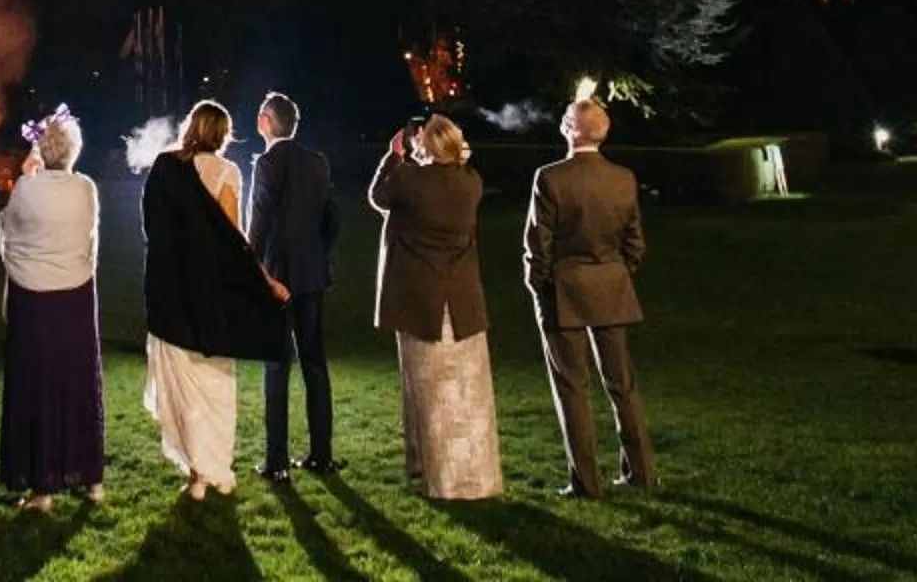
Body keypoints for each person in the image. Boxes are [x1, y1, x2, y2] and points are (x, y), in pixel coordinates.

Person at [140, 99, 289, 499]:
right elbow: (234, 240)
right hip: (209, 294)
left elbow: (151, 227)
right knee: (212, 381)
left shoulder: (164, 167)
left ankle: (196, 473)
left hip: (170, 289)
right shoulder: (226, 172)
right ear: (222, 134)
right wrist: (265, 280)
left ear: (191, 128)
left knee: (183, 381)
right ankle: (212, 469)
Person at [523, 96, 658, 498]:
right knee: (623, 384)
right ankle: (641, 472)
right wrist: (617, 272)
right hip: (612, 287)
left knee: (572, 387)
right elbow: (634, 241)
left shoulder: (550, 177)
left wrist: (538, 283)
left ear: (570, 129)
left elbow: (538, 243)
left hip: (564, 291)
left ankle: (587, 481)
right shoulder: (623, 177)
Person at [368, 112, 501, 500]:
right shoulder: (471, 183)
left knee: (428, 392)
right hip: (461, 300)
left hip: (418, 297)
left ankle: (440, 476)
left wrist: (394, 156)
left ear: (426, 144)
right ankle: (474, 472)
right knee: (467, 393)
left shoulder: (410, 179)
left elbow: (378, 197)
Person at [0, 105, 105, 510]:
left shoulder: (27, 188)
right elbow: (90, 240)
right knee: (78, 386)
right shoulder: (86, 189)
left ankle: (41, 487)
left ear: (42, 151)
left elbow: (8, 229)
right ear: (73, 151)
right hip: (74, 299)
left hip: (34, 303)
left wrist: (26, 179)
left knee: (36, 390)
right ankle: (90, 478)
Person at [246, 90, 340, 478]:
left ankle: (277, 461)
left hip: (278, 277)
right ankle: (321, 454)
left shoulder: (269, 162)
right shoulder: (317, 162)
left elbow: (261, 219)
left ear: (266, 122)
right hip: (312, 274)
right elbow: (332, 218)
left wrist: (252, 265)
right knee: (315, 363)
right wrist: (318, 254)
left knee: (276, 366)